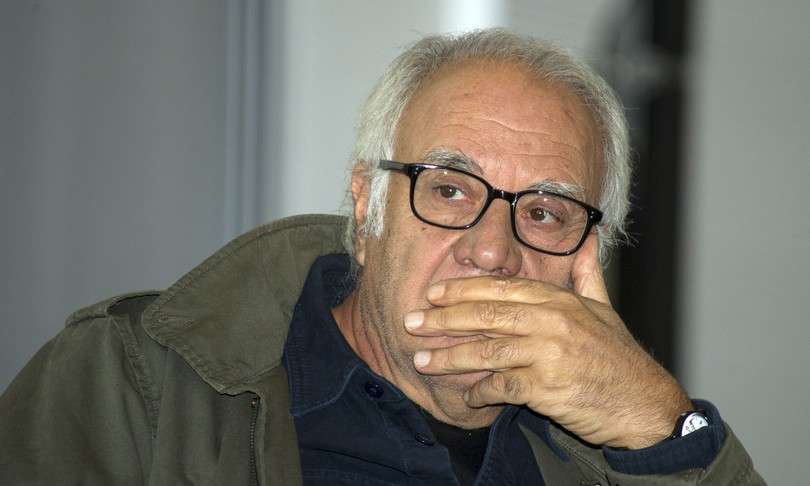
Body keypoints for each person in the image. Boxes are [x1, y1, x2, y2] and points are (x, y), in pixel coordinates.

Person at [0, 29, 763, 485]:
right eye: (450, 190)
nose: (492, 251)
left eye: (542, 212)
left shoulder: (617, 454)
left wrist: (659, 427)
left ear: (584, 258)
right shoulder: (133, 385)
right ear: (366, 209)